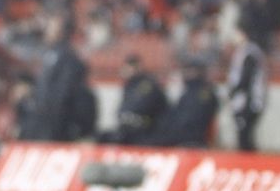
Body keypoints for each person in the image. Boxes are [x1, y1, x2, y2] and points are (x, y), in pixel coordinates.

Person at [20, 13, 89, 142]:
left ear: (60, 31)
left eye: (51, 26)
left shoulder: (68, 59)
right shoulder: (49, 54)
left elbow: (62, 95)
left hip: (54, 127)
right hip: (41, 123)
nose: (47, 30)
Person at [147, 59, 219, 148]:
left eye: (189, 71)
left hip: (192, 142)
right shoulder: (187, 93)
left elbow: (191, 120)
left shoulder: (204, 94)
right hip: (177, 139)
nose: (185, 74)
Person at [104, 53, 169, 145]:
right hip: (129, 130)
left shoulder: (148, 85)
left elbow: (140, 107)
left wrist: (127, 116)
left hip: (147, 131)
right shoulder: (130, 85)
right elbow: (124, 107)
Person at [225, 24, 268, 152]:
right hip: (244, 101)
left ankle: (250, 163)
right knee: (243, 135)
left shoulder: (250, 53)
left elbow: (246, 79)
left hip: (249, 101)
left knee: (245, 136)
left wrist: (233, 92)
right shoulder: (241, 52)